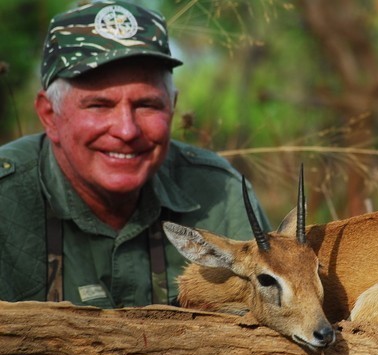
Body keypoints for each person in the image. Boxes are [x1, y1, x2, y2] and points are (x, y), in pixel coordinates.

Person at [0, 0, 270, 308]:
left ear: (173, 107)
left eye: (147, 105)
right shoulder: (6, 197)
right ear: (49, 114)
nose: (127, 131)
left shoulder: (220, 195)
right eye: (99, 105)